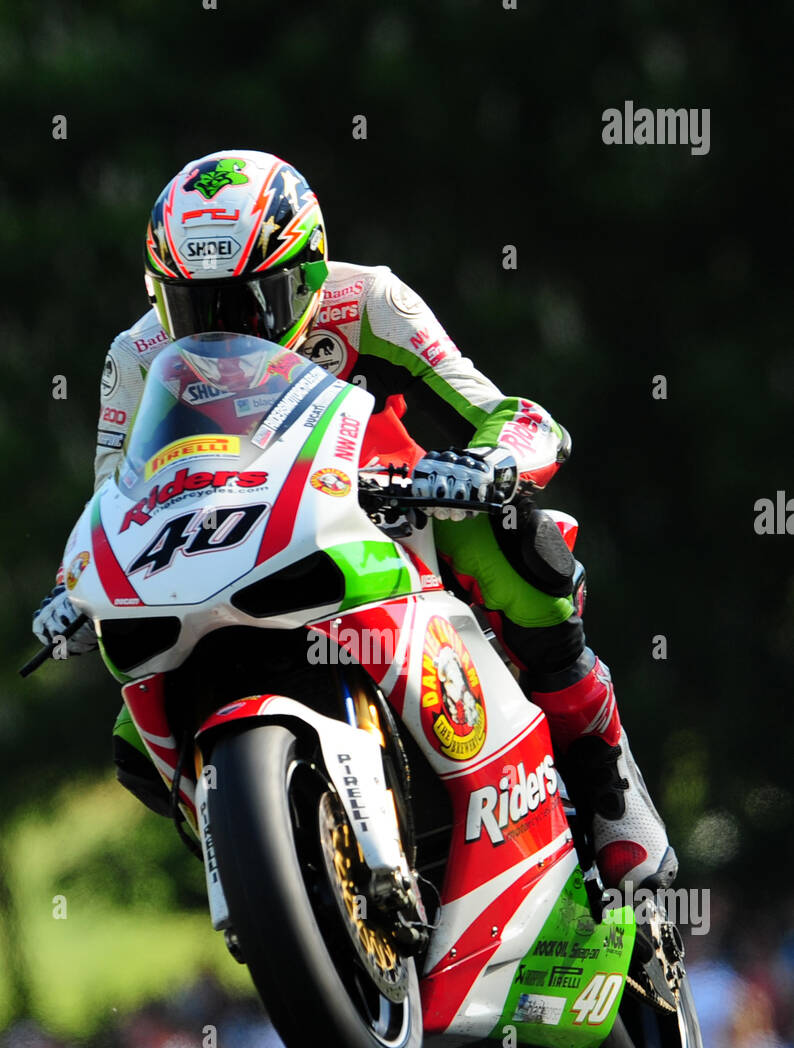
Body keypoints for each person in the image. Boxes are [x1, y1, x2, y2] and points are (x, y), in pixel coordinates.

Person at [33, 149, 676, 895]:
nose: (219, 327)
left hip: (381, 503)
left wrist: (491, 463)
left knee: (522, 549)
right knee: (133, 744)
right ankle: (278, 875)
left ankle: (609, 792)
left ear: (307, 271)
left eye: (247, 304)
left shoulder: (370, 299)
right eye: (193, 306)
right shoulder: (137, 353)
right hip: (220, 544)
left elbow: (507, 412)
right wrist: (72, 592)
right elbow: (113, 497)